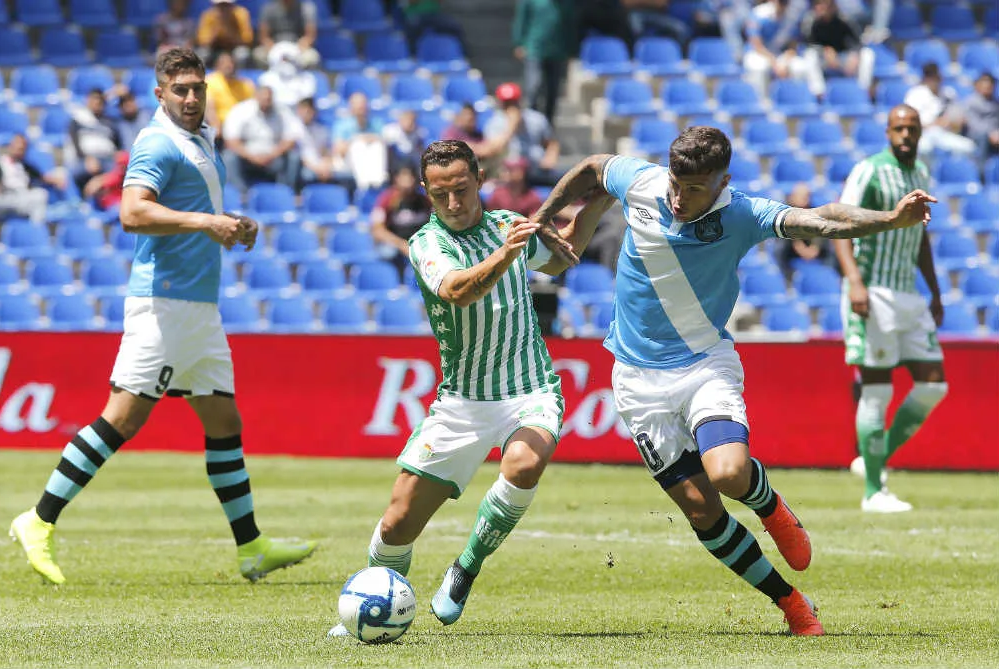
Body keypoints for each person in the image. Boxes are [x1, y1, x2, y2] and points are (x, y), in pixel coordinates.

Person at [530, 125, 936, 635]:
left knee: (726, 472)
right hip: (635, 379)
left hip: (704, 364)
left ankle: (771, 507)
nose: (678, 198)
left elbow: (826, 218)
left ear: (724, 180)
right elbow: (593, 167)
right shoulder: (644, 182)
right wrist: (542, 217)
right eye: (676, 184)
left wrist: (889, 220)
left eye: (694, 188)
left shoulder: (744, 213)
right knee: (703, 512)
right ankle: (790, 603)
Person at [8, 48, 317, 586]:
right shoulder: (156, 142)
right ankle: (37, 520)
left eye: (197, 88)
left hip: (198, 306)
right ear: (161, 94)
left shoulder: (201, 140)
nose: (192, 98)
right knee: (123, 418)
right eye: (181, 90)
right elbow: (131, 212)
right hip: (163, 303)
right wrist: (205, 222)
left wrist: (231, 225)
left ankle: (251, 548)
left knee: (224, 424)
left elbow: (197, 215)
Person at [327, 139, 614, 635]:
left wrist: (605, 197)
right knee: (397, 524)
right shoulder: (426, 244)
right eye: (441, 195)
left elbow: (564, 252)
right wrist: (507, 254)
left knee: (524, 463)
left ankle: (465, 568)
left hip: (530, 387)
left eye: (461, 189)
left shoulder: (506, 224)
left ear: (479, 178)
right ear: (426, 192)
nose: (454, 203)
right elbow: (460, 290)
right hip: (462, 401)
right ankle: (370, 606)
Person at [833, 104, 948, 513]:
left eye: (912, 128)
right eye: (899, 128)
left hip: (909, 295)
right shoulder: (868, 170)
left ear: (919, 132)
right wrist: (855, 282)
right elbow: (840, 224)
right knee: (878, 389)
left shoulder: (922, 175)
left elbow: (921, 239)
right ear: (887, 131)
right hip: (874, 291)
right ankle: (873, 491)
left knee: (934, 384)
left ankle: (873, 458)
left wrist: (934, 292)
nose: (905, 134)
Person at [221, 85, 303, 194]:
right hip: (247, 158)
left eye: (269, 99)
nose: (266, 102)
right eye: (263, 98)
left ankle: (285, 193)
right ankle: (241, 194)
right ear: (256, 97)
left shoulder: (282, 111)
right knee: (229, 156)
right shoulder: (241, 110)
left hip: (273, 158)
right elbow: (231, 141)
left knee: (294, 157)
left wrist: (272, 155)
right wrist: (252, 157)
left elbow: (291, 138)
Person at [512, 0, 578, 126]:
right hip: (534, 49)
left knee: (553, 90)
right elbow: (521, 20)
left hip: (558, 52)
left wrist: (571, 49)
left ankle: (548, 124)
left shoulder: (567, 4)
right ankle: (532, 122)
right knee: (534, 86)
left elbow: (571, 26)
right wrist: (519, 42)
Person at [484, 82, 562, 188]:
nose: (511, 106)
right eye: (507, 103)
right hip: (508, 174)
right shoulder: (495, 122)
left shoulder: (536, 118)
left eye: (513, 102)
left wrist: (550, 157)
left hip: (536, 170)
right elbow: (495, 148)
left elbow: (551, 144)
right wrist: (512, 126)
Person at [903, 63, 976, 160]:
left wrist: (953, 122)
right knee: (924, 149)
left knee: (969, 147)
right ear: (925, 78)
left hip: (944, 134)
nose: (934, 80)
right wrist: (934, 124)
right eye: (931, 77)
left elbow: (958, 118)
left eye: (936, 76)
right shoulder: (915, 94)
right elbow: (909, 121)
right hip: (923, 134)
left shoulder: (948, 93)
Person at [369, 164, 432, 275]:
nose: (407, 181)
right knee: (388, 252)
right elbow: (377, 230)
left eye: (410, 176)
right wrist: (402, 245)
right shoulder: (386, 199)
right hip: (395, 244)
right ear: (396, 178)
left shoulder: (424, 200)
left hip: (418, 243)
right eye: (403, 176)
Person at [256, 0, 320, 69]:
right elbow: (264, 36)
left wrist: (298, 50)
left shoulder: (307, 8)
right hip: (274, 47)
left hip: (298, 47)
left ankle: (302, 79)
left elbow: (309, 36)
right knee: (259, 55)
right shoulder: (268, 8)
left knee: (312, 57)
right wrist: (273, 50)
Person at [197, 0, 254, 68]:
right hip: (214, 49)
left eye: (226, 6)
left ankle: (238, 77)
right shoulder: (208, 15)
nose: (224, 9)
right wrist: (217, 29)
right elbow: (203, 42)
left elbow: (247, 40)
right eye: (220, 6)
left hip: (234, 48)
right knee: (202, 53)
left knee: (242, 54)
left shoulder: (241, 14)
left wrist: (229, 30)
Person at [962, 72, 999, 166]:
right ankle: (981, 174)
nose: (988, 86)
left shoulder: (996, 103)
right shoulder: (971, 102)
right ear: (977, 85)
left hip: (995, 135)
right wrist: (991, 133)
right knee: (983, 137)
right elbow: (974, 125)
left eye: (990, 84)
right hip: (977, 136)